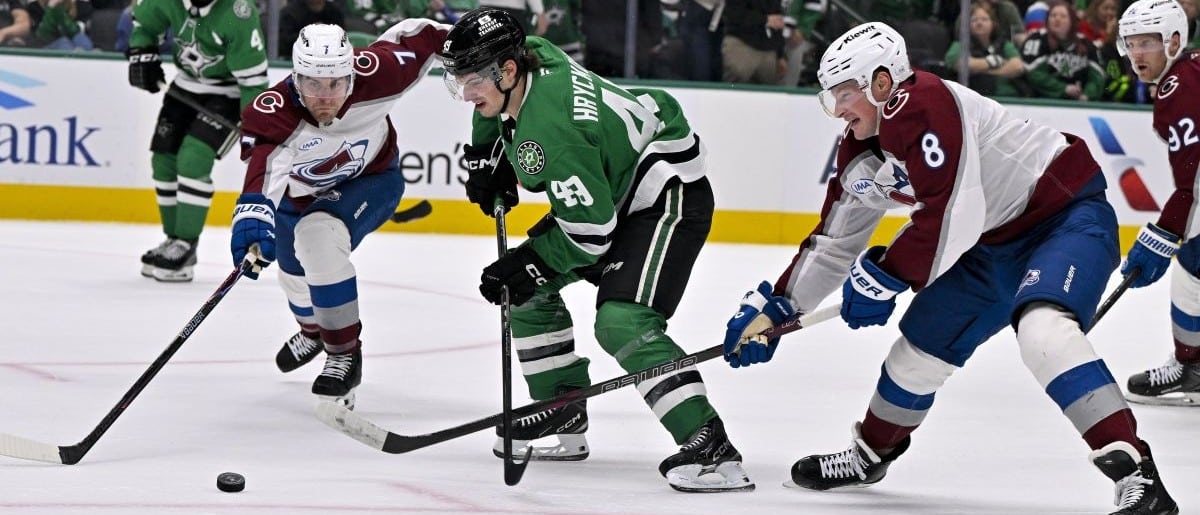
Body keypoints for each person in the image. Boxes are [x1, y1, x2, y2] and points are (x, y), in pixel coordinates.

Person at [722, 21, 1178, 514]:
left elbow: (956, 216)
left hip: (1065, 222)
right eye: (830, 97)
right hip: (993, 247)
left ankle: (1139, 477)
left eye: (845, 94)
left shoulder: (921, 102)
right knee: (918, 347)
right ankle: (872, 453)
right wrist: (779, 307)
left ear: (881, 83)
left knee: (1045, 334)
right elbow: (834, 243)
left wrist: (887, 274)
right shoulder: (860, 149)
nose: (838, 110)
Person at [441, 8, 753, 492]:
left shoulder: (552, 128)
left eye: (473, 80)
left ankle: (712, 448)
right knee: (523, 292)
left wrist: (531, 263)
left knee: (621, 321)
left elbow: (590, 238)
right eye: (458, 79)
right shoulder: (532, 58)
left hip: (664, 196)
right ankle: (561, 411)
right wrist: (486, 154)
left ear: (507, 71)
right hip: (616, 186)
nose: (466, 93)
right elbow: (494, 103)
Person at [230, 20, 448, 408]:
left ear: (352, 73)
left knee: (317, 238)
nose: (326, 97)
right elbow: (265, 174)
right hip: (297, 198)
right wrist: (252, 218)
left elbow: (430, 36)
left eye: (336, 83)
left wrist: (493, 44)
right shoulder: (275, 114)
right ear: (296, 78)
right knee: (293, 275)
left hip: (373, 181)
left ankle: (344, 352)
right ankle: (313, 332)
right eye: (313, 84)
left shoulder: (380, 74)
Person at [127, 0, 268, 282]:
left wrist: (254, 126)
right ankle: (173, 241)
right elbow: (145, 24)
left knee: (193, 160)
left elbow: (253, 81)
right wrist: (142, 51)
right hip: (183, 88)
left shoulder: (238, 12)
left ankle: (187, 246)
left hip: (227, 96)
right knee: (163, 161)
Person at [1113, 0, 1200, 407]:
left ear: (1174, 41)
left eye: (1147, 42)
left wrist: (1163, 233)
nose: (1137, 54)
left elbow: (1192, 179)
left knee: (1191, 268)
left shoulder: (1178, 89)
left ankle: (1191, 368)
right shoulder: (1190, 71)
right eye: (1131, 43)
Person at [1021, 0, 1105, 101]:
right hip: (1042, 101)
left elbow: (1098, 76)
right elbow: (1034, 73)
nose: (1057, 19)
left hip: (1080, 103)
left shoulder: (1086, 44)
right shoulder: (1037, 40)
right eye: (1053, 15)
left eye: (1063, 16)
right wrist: (1063, 88)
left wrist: (1087, 95)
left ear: (1072, 21)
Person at [945, 1, 1027, 97]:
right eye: (974, 20)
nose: (979, 23)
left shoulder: (1004, 44)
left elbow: (1018, 66)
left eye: (984, 19)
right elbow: (958, 63)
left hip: (1010, 98)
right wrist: (991, 62)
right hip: (975, 96)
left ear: (993, 23)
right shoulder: (961, 44)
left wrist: (986, 72)